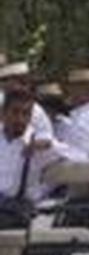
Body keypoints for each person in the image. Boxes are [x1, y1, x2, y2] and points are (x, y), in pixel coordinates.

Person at [0, 90, 64, 219]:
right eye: (15, 112)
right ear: (3, 113)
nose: (20, 119)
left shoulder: (38, 143)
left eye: (26, 113)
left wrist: (40, 192)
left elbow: (74, 158)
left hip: (17, 214)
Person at [0, 59, 58, 142]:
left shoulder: (35, 109)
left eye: (23, 82)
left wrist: (33, 143)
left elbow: (45, 136)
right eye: (4, 81)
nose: (21, 86)